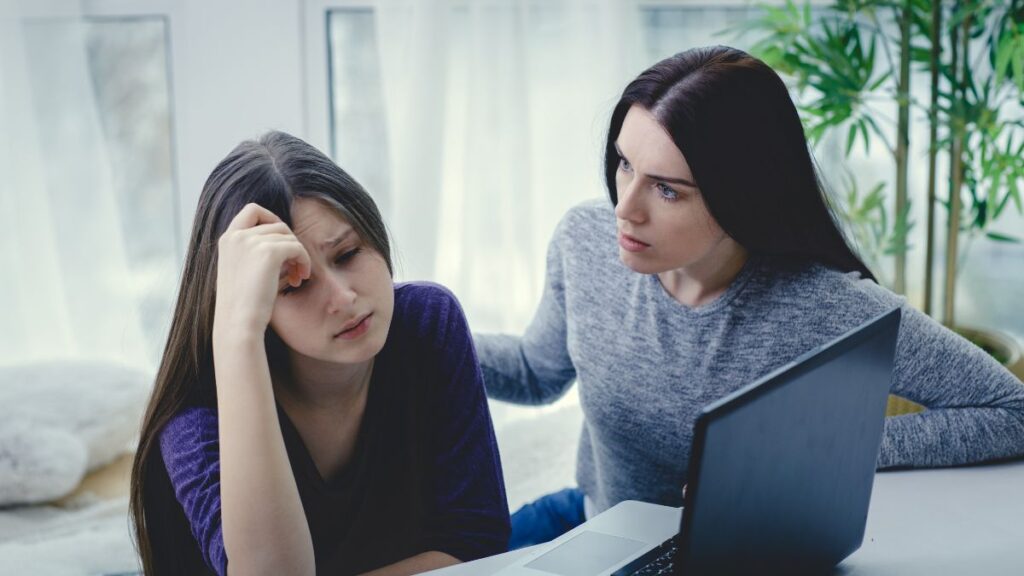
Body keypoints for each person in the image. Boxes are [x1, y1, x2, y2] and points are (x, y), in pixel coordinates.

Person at [474, 46, 1024, 549]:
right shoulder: (585, 241)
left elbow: (1012, 412)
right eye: (625, 164)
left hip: (723, 554)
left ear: (743, 196)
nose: (626, 208)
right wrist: (416, 320)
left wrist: (813, 454)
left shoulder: (827, 307)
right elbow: (534, 372)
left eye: (666, 189)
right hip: (588, 520)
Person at [129, 131, 510, 575]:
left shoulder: (427, 323)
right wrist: (235, 337)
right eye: (295, 285)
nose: (343, 297)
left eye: (348, 254)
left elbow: (479, 542)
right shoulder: (195, 418)